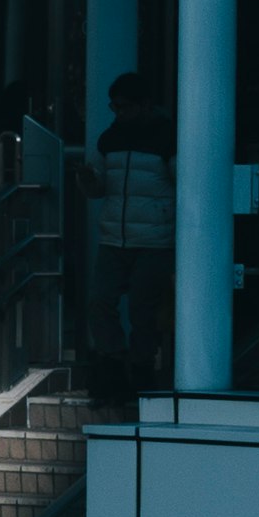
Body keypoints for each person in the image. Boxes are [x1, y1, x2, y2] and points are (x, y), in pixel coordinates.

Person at [86, 68, 172, 395]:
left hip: (153, 239)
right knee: (101, 302)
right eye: (115, 107)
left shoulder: (166, 138)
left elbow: (182, 183)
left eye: (124, 106)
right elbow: (99, 186)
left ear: (144, 105)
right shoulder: (110, 138)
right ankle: (117, 363)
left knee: (142, 308)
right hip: (117, 236)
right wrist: (89, 181)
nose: (119, 113)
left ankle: (137, 367)